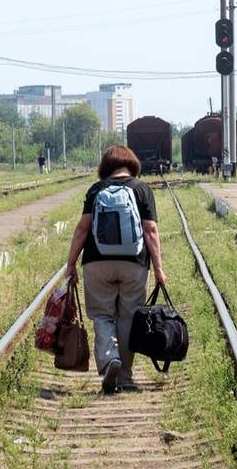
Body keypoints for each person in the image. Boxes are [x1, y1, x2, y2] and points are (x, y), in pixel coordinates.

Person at [65, 146, 166, 394]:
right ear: (132, 165)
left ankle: (110, 359)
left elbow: (82, 229)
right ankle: (126, 377)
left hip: (96, 264)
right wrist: (159, 269)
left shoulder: (96, 190)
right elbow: (150, 231)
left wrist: (70, 263)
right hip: (134, 264)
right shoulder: (142, 189)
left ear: (106, 166)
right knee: (129, 318)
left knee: (102, 315)